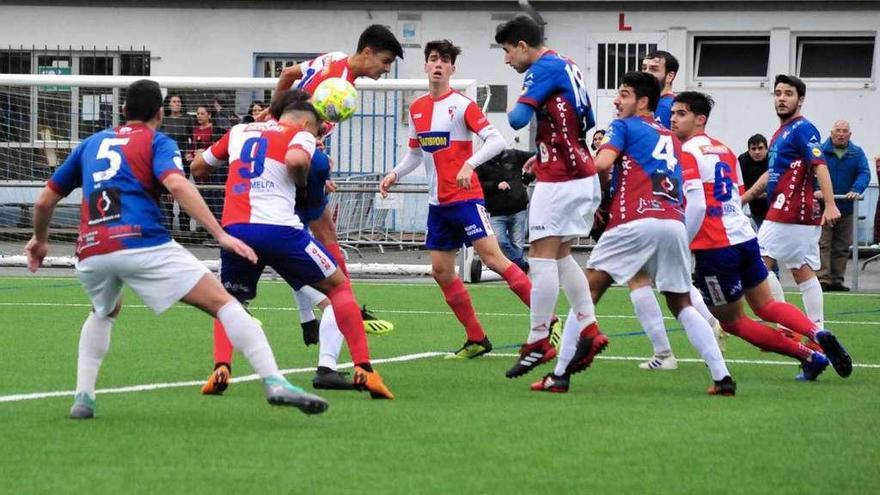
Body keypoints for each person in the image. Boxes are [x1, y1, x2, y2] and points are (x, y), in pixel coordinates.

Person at [24, 79, 328, 418]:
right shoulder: (157, 141)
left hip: (92, 250)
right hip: (143, 243)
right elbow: (177, 183)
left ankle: (83, 398)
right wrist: (220, 234)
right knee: (226, 304)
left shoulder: (91, 144)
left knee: (104, 311)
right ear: (159, 113)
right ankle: (274, 382)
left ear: (123, 111)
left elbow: (44, 200)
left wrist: (39, 240)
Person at [190, 89, 394, 399]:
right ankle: (365, 370)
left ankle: (221, 367)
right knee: (339, 286)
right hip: (280, 230)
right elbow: (297, 159)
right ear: (305, 123)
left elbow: (198, 168)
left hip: (236, 230)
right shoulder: (300, 135)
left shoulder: (239, 131)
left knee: (229, 301)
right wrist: (300, 181)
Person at [563, 71, 734, 395]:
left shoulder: (624, 126)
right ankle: (722, 377)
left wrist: (561, 161)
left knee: (586, 294)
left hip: (633, 222)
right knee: (682, 303)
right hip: (672, 222)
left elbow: (602, 163)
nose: (617, 100)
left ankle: (559, 374)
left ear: (642, 102)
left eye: (624, 94)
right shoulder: (672, 138)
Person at [671, 90, 852, 381]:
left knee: (732, 322)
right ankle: (817, 331)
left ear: (700, 119)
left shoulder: (687, 152)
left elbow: (698, 203)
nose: (673, 119)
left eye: (681, 113)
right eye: (673, 113)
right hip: (743, 237)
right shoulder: (725, 150)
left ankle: (809, 356)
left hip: (716, 246)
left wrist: (683, 242)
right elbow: (736, 193)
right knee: (766, 304)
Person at [380, 39, 536, 361]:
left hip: (465, 199)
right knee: (441, 271)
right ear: (426, 65)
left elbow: (496, 141)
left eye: (445, 60)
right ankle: (476, 338)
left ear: (452, 68)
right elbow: (414, 153)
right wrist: (395, 174)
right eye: (433, 59)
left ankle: (549, 320)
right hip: (438, 205)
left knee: (494, 259)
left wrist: (469, 164)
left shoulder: (463, 105)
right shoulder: (417, 108)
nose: (438, 64)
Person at [495, 15, 603, 384]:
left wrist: (520, 106)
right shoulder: (569, 64)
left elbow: (516, 119)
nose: (507, 60)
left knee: (540, 257)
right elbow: (578, 118)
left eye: (508, 52)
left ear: (523, 46)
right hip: (581, 170)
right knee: (560, 255)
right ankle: (589, 327)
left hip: (561, 177)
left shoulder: (542, 68)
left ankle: (538, 339)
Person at [741, 75, 841, 331]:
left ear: (801, 99)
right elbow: (770, 174)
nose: (782, 98)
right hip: (791, 211)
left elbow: (820, 166)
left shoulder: (802, 129)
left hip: (790, 209)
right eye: (778, 93)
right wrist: (745, 197)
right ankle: (817, 330)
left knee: (756, 261)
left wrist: (830, 204)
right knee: (801, 270)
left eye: (788, 94)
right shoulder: (780, 133)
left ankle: (785, 323)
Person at [817, 120, 870, 292]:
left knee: (842, 246)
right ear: (831, 133)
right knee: (823, 244)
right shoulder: (819, 151)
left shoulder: (857, 153)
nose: (841, 134)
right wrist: (816, 190)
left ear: (850, 134)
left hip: (846, 209)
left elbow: (864, 172)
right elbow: (810, 171)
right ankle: (822, 279)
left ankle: (837, 280)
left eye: (844, 131)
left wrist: (856, 189)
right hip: (823, 207)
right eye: (838, 130)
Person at [474, 148, 534, 272]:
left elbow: (538, 159)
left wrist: (527, 179)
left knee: (517, 244)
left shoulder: (514, 155)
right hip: (496, 211)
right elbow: (477, 184)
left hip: (518, 207)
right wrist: (495, 185)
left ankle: (517, 272)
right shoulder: (481, 163)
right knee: (500, 241)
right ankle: (521, 265)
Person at [161, 94, 193, 231]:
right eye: (174, 101)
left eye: (179, 101)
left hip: (182, 161)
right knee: (166, 192)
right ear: (168, 104)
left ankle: (185, 228)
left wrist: (190, 153)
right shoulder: (164, 120)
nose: (177, 104)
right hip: (166, 160)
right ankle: (167, 228)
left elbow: (194, 139)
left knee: (182, 191)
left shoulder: (187, 120)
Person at [738, 134, 770, 228]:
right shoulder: (742, 160)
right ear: (749, 150)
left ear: (766, 148)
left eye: (760, 148)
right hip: (752, 206)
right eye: (753, 149)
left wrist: (766, 193)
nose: (757, 152)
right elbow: (737, 182)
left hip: (773, 206)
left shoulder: (774, 159)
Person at [641, 50, 678, 128]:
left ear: (670, 76)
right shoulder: (646, 102)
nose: (646, 73)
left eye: (654, 69)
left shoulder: (670, 106)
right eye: (644, 68)